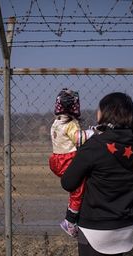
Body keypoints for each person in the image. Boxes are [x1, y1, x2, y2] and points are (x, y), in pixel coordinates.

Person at [61, 92, 133, 256]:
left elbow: (68, 182)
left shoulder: (95, 144)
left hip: (95, 228)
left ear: (107, 113)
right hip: (124, 224)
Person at [49, 88, 94, 237]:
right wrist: (93, 132)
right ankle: (70, 221)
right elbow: (78, 139)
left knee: (75, 188)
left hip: (56, 160)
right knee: (78, 190)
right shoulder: (71, 123)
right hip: (67, 159)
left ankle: (73, 214)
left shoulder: (56, 122)